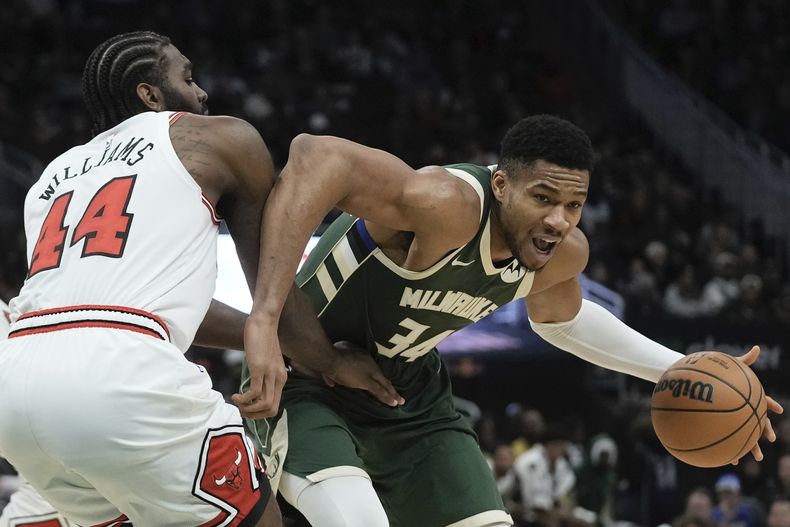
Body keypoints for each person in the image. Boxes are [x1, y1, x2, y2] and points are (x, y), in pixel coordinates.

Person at [241, 115, 784, 527]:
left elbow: (563, 322)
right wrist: (266, 320)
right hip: (306, 377)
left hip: (407, 395)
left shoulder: (562, 253)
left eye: (574, 205)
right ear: (501, 185)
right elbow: (315, 155)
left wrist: (686, 369)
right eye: (543, 198)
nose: (558, 220)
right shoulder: (448, 205)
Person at [0, 31, 399, 527]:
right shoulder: (219, 139)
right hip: (120, 377)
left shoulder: (51, 178)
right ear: (150, 94)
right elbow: (272, 290)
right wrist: (330, 360)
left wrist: (257, 334)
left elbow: (121, 309)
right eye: (187, 78)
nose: (202, 91)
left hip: (15, 383)